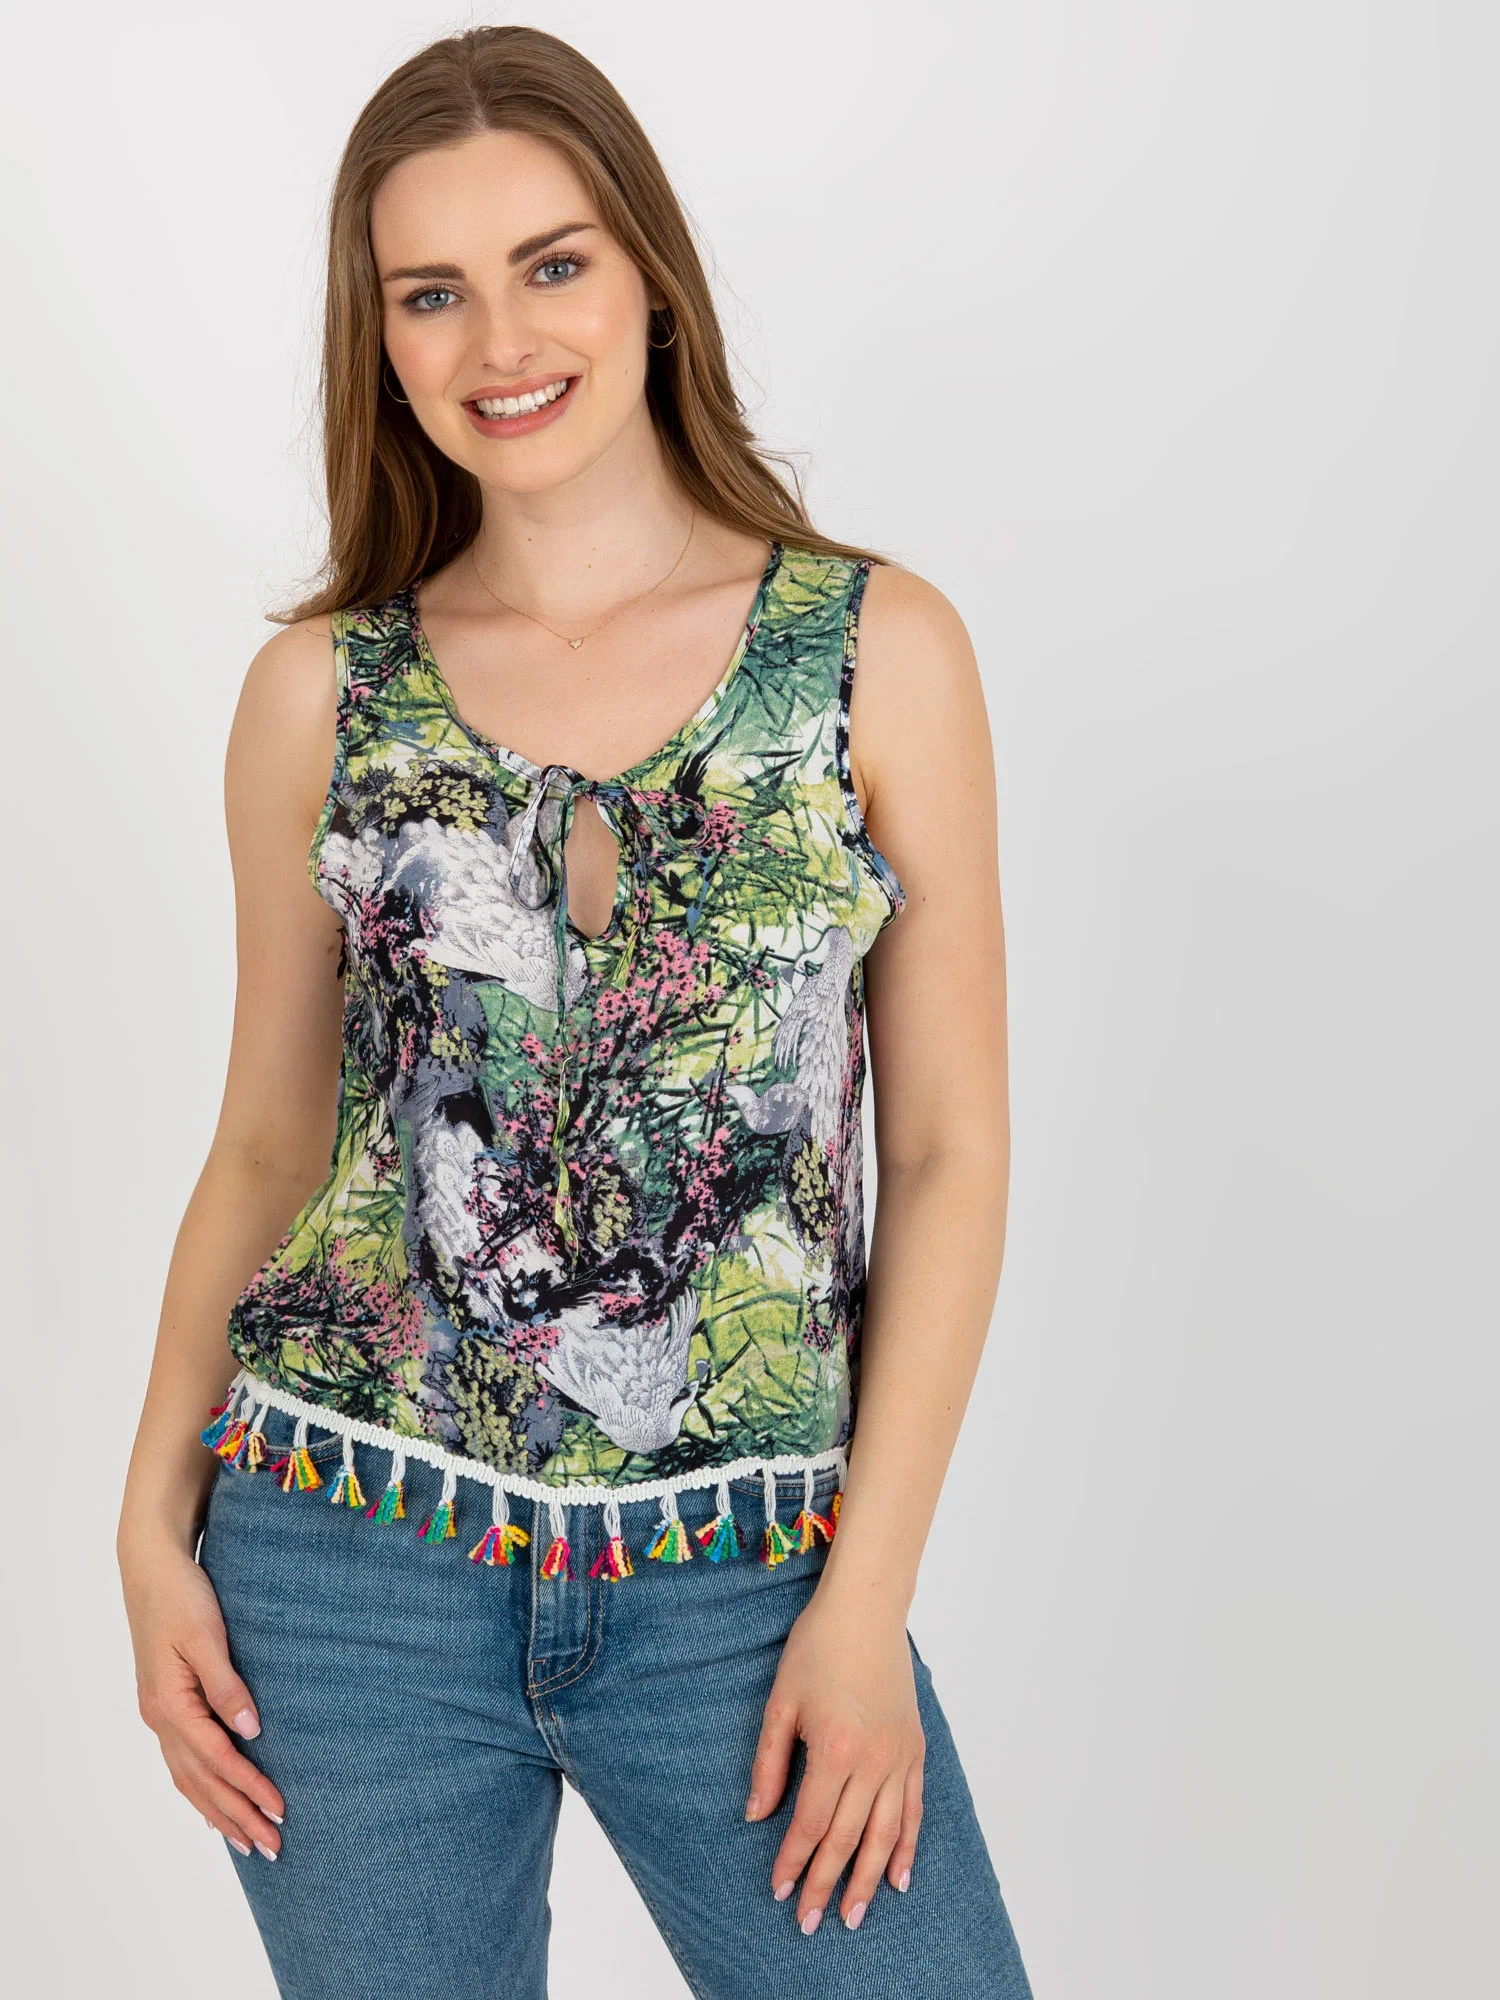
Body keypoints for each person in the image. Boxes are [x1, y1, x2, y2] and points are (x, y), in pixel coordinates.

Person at [115, 24, 1029, 2000]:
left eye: (551, 264)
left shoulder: (873, 654)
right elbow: (270, 1138)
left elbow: (954, 1152)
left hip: (750, 1575)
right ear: (379, 342)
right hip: (344, 1555)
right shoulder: (320, 695)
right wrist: (145, 1514)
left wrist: (865, 1601)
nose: (499, 341)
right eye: (429, 292)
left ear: (651, 282)